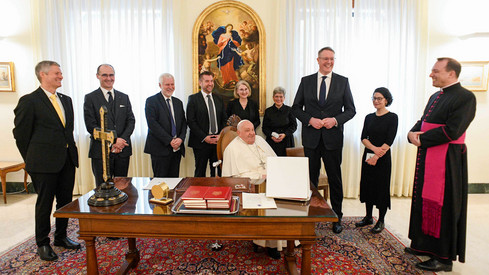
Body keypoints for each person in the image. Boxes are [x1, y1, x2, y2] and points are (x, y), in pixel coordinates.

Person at [406, 58, 476, 272]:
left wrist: (422, 138)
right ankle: (424, 245)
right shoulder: (435, 96)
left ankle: (443, 257)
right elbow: (423, 121)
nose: (431, 75)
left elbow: (453, 130)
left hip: (447, 161)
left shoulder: (466, 97)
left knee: (443, 207)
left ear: (451, 74)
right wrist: (411, 133)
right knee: (423, 200)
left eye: (436, 71)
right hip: (429, 155)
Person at [13, 61, 80, 261]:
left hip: (67, 160)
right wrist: (31, 160)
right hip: (43, 164)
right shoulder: (30, 101)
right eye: (56, 73)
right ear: (43, 75)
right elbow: (21, 135)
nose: (61, 76)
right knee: (44, 204)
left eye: (61, 72)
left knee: (65, 202)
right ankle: (42, 243)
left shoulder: (66, 100)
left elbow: (67, 131)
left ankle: (61, 237)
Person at [292, 47, 356, 234]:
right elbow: (296, 108)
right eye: (325, 59)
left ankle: (337, 216)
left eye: (332, 59)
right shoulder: (306, 81)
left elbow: (351, 110)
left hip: (333, 139)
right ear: (318, 60)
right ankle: (310, 215)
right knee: (310, 180)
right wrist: (309, 120)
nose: (329, 62)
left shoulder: (343, 82)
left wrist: (335, 120)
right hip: (311, 139)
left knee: (335, 179)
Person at [222, 120, 283, 259]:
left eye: (252, 130)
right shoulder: (232, 149)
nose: (251, 133)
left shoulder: (260, 140)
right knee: (270, 204)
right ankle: (269, 244)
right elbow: (233, 178)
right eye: (247, 131)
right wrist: (260, 176)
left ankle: (285, 238)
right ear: (238, 133)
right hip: (253, 187)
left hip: (271, 180)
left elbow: (275, 159)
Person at [83, 64, 135, 186]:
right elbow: (91, 126)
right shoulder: (90, 98)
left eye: (111, 75)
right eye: (104, 75)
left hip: (122, 149)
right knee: (103, 188)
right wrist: (114, 140)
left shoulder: (124, 97)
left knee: (122, 187)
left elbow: (131, 121)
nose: (108, 78)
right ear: (98, 76)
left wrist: (121, 141)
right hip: (100, 151)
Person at [355, 88, 398, 234]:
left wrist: (377, 155)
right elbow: (363, 137)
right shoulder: (369, 117)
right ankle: (368, 217)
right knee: (367, 185)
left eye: (379, 98)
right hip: (369, 155)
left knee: (381, 187)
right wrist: (374, 150)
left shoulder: (393, 117)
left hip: (383, 158)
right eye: (374, 98)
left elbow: (389, 140)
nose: (376, 101)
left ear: (386, 100)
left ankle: (381, 220)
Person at [144, 73, 187, 177]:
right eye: (167, 84)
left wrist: (180, 139)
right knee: (160, 183)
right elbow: (153, 124)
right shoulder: (151, 101)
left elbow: (184, 123)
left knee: (174, 181)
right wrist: (170, 140)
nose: (170, 87)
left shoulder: (178, 102)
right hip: (159, 149)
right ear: (160, 85)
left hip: (176, 149)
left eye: (172, 84)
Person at [187, 71, 227, 177]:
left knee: (217, 172)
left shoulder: (219, 98)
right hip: (201, 142)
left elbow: (224, 119)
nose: (210, 84)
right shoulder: (193, 99)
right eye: (207, 81)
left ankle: (216, 193)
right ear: (200, 83)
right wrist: (205, 137)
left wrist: (220, 136)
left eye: (212, 81)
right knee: (200, 172)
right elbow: (191, 121)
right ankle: (199, 194)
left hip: (217, 142)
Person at [262, 86, 297, 156]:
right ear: (273, 97)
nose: (278, 99)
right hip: (272, 142)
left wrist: (284, 134)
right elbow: (265, 128)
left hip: (287, 141)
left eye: (281, 97)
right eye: (276, 96)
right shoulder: (268, 111)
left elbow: (294, 126)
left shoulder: (290, 110)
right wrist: (272, 136)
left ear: (284, 98)